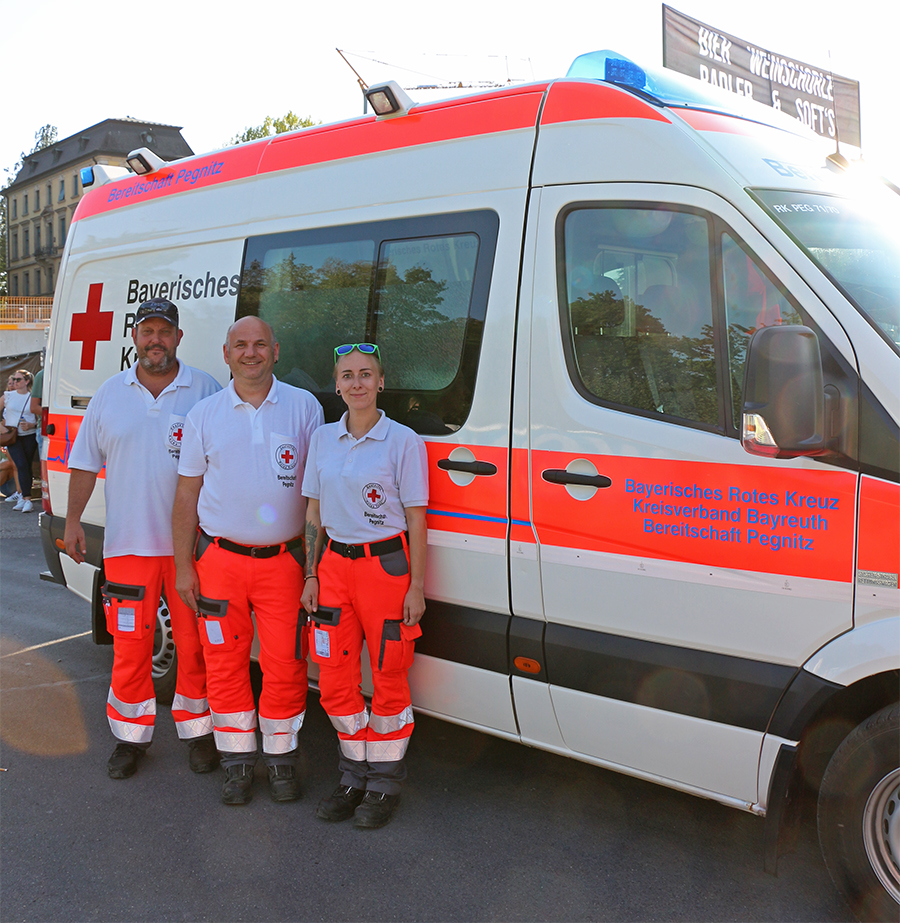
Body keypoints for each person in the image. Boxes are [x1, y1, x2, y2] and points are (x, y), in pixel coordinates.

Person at [64, 300, 222, 780]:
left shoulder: (206, 389)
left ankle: (198, 735)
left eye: (165, 331)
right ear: (135, 337)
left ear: (178, 337)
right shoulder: (111, 394)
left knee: (195, 646)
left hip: (191, 549)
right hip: (128, 548)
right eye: (147, 330)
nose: (156, 339)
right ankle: (130, 740)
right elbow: (85, 464)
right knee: (131, 647)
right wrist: (72, 520)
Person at [173, 316, 323, 806]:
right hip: (219, 562)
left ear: (276, 351)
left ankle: (280, 761)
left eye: (260, 344)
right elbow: (186, 494)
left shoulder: (305, 408)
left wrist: (312, 569)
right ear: (225, 353)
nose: (251, 353)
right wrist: (183, 566)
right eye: (241, 345)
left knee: (285, 663)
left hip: (284, 563)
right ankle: (237, 762)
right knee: (224, 662)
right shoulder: (204, 414)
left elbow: (317, 497)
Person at [301, 342, 428, 829]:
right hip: (333, 568)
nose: (356, 383)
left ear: (380, 383)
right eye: (347, 375)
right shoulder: (322, 441)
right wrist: (311, 573)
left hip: (385, 569)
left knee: (390, 677)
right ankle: (352, 775)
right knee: (333, 680)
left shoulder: (402, 441)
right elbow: (313, 514)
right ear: (336, 384)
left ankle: (383, 784)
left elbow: (417, 520)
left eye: (366, 374)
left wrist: (416, 586)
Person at [0, 369, 39, 512]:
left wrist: (32, 425)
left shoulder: (32, 397)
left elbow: (39, 417)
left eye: (18, 379)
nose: (15, 382)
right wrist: (2, 428)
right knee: (21, 464)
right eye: (14, 379)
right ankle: (27, 499)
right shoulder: (8, 396)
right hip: (12, 436)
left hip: (29, 434)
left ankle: (24, 497)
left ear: (27, 381)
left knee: (27, 466)